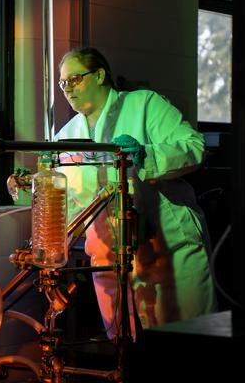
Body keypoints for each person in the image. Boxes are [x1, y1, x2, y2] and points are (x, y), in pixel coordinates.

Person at [54, 47, 217, 339]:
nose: (67, 88)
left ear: (100, 75)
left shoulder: (144, 105)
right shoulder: (65, 137)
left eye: (75, 79)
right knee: (123, 351)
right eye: (62, 82)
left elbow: (194, 147)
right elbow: (67, 202)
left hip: (169, 250)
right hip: (109, 259)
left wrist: (147, 155)